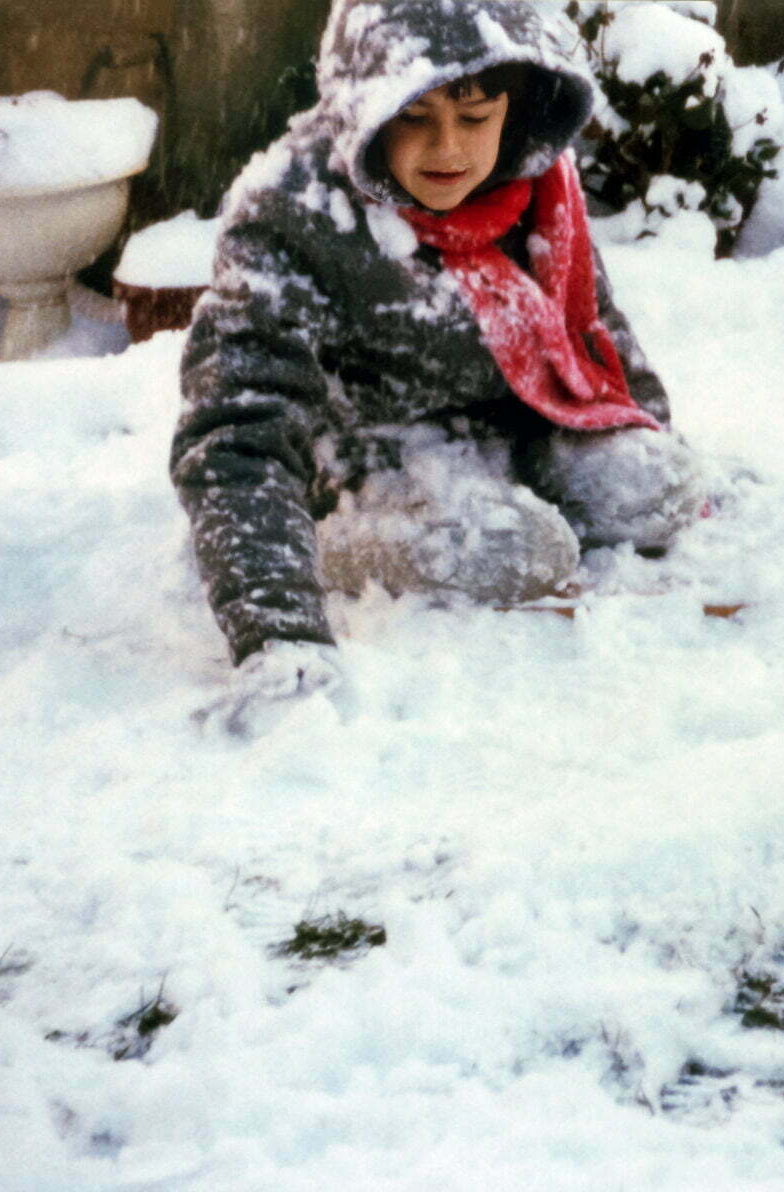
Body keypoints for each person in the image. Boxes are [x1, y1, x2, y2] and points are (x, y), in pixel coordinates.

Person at [171, 0, 705, 736]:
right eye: (413, 117)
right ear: (364, 107)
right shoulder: (290, 215)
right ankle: (331, 546)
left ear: (515, 106)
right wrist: (277, 628)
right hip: (363, 456)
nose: (448, 147)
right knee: (521, 550)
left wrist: (644, 425)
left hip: (508, 424)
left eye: (475, 115)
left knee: (656, 487)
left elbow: (593, 328)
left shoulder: (535, 182)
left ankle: (522, 487)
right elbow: (236, 434)